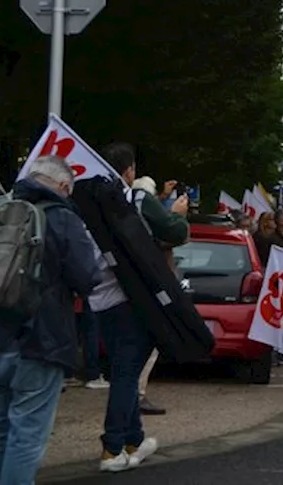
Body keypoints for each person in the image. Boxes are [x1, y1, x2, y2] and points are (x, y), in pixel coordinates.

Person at [0, 156, 101, 483]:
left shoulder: (1, 211)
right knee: (27, 433)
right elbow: (87, 277)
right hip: (42, 339)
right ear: (64, 186)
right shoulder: (63, 218)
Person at [92, 143, 164, 473]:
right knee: (125, 375)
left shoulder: (90, 204)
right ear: (129, 171)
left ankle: (134, 439)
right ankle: (112, 447)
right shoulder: (121, 205)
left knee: (124, 370)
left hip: (100, 301)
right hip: (125, 301)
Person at [128, 176, 190, 417]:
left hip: (139, 285)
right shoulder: (147, 220)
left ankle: (133, 394)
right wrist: (177, 215)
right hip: (155, 284)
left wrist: (163, 199)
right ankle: (137, 395)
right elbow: (175, 234)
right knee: (149, 343)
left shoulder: (131, 214)